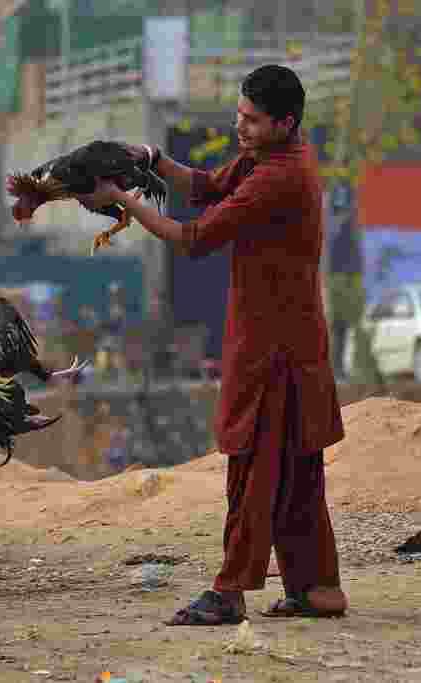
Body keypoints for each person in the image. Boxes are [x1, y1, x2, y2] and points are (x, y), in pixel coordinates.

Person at [75, 65, 348, 625]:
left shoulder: (279, 177)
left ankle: (230, 591)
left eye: (252, 120)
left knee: (252, 468)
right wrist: (151, 158)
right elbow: (204, 186)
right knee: (297, 471)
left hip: (274, 349)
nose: (240, 127)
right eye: (239, 115)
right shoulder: (268, 157)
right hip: (292, 340)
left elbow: (192, 237)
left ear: (285, 122)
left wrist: (123, 199)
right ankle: (318, 588)